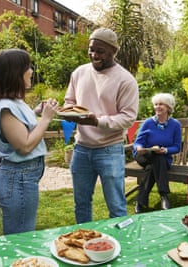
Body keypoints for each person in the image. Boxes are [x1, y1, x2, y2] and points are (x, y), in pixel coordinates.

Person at [63, 28, 139, 223]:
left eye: (100, 51)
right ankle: (83, 242)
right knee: (81, 203)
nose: (94, 55)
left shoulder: (125, 80)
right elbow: (69, 100)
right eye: (91, 49)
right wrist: (69, 112)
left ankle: (122, 245)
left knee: (116, 206)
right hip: (81, 149)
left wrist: (97, 121)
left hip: (109, 150)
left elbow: (128, 117)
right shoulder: (79, 72)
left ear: (113, 51)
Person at [0, 48, 59, 234]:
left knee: (22, 232)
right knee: (20, 237)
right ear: (15, 73)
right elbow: (25, 146)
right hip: (17, 178)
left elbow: (22, 128)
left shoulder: (14, 102)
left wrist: (35, 112)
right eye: (27, 67)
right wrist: (46, 119)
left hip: (21, 177)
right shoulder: (6, 107)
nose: (31, 71)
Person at [133, 93, 181, 213]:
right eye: (156, 104)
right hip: (144, 155)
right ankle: (164, 195)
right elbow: (137, 143)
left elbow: (177, 147)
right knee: (156, 157)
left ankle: (140, 201)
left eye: (161, 104)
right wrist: (139, 148)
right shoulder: (148, 123)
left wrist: (166, 150)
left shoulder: (175, 125)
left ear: (168, 107)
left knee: (155, 163)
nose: (157, 107)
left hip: (163, 157)